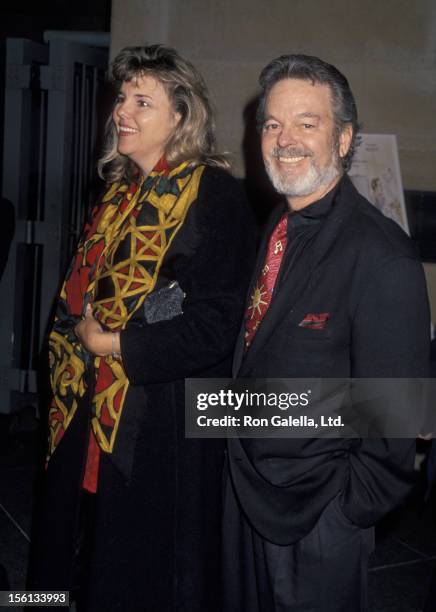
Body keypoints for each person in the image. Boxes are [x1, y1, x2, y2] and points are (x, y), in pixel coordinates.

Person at [28, 44, 254, 611]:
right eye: (123, 98)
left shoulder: (214, 192)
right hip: (83, 406)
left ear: (180, 116)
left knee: (137, 574)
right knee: (72, 559)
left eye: (143, 101)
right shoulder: (118, 192)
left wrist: (119, 344)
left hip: (155, 423)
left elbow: (220, 321)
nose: (122, 112)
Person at [223, 54, 431, 611]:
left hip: (318, 519)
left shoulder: (381, 256)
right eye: (272, 124)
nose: (284, 140)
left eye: (305, 124)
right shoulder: (278, 225)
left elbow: (396, 420)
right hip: (248, 495)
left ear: (343, 139)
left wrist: (342, 514)